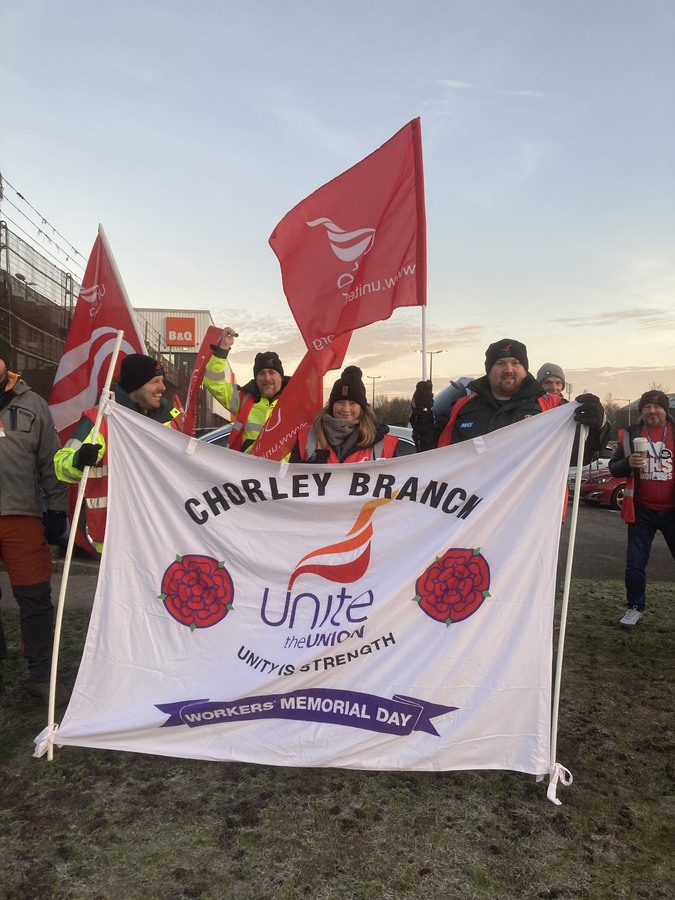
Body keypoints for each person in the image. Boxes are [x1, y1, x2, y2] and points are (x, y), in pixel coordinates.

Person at [54, 353, 181, 551]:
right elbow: (62, 465)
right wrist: (80, 460)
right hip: (116, 539)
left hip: (163, 535)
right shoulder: (99, 421)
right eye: (155, 381)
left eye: (162, 381)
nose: (162, 388)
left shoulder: (168, 420)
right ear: (135, 386)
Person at [0, 357, 69, 704]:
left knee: (35, 597)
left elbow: (50, 460)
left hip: (20, 514)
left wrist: (57, 509)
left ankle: (41, 676)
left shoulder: (32, 404)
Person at [411, 338, 606, 457]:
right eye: (500, 363)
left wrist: (599, 425)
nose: (509, 370)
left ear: (525, 369)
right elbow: (430, 453)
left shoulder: (551, 407)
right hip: (468, 515)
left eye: (515, 362)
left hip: (527, 517)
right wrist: (421, 413)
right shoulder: (462, 407)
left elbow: (580, 455)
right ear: (489, 371)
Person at [609, 390, 674, 628]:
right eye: (647, 407)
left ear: (666, 411)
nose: (652, 411)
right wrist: (627, 463)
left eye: (657, 407)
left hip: (672, 511)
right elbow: (614, 467)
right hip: (642, 510)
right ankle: (634, 607)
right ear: (641, 411)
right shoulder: (629, 435)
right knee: (635, 563)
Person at [203, 328, 290, 453]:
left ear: (280, 376)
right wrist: (223, 348)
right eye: (261, 373)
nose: (267, 378)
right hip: (252, 469)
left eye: (272, 372)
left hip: (287, 471)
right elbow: (213, 382)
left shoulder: (295, 400)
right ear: (256, 377)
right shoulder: (242, 398)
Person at [290, 366, 399, 463]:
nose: (346, 409)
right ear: (332, 405)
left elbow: (398, 482)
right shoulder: (306, 438)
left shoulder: (384, 444)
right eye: (340, 402)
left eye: (353, 403)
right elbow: (288, 480)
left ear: (361, 407)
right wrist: (307, 468)